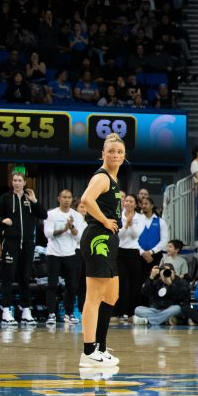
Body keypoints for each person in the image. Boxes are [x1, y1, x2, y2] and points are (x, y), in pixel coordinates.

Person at [77, 133, 126, 367]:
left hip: (109, 240)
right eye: (111, 151)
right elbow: (86, 200)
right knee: (94, 297)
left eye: (119, 152)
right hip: (98, 238)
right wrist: (106, 221)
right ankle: (88, 352)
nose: (115, 155)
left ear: (124, 156)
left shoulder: (114, 179)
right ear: (103, 154)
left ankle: (101, 347)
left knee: (112, 295)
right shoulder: (102, 177)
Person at [0, 171, 46, 325]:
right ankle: (6, 310)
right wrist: (3, 221)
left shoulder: (29, 199)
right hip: (10, 243)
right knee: (8, 277)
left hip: (27, 244)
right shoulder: (5, 198)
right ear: (11, 182)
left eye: (20, 180)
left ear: (25, 182)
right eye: (14, 180)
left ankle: (26, 309)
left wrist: (34, 200)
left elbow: (43, 215)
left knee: (25, 277)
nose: (17, 183)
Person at [43, 188, 87, 325]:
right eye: (64, 197)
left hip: (70, 253)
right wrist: (64, 229)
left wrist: (71, 226)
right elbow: (48, 233)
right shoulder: (51, 214)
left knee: (72, 286)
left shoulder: (77, 216)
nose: (66, 199)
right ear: (59, 198)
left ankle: (69, 313)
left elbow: (79, 236)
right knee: (52, 285)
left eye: (69, 197)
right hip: (53, 254)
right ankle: (51, 313)